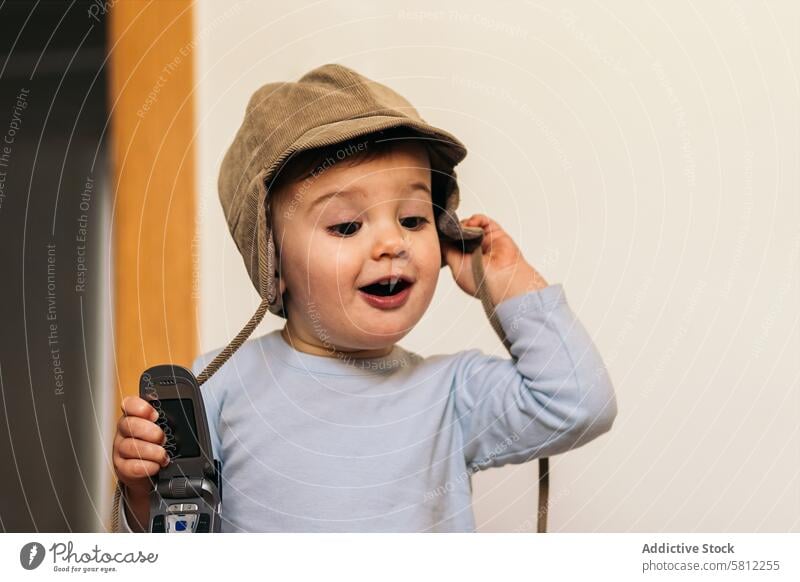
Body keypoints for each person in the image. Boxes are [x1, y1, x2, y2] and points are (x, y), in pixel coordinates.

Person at [111, 63, 617, 532]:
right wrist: (141, 489)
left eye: (414, 219)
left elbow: (578, 403)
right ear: (274, 263)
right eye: (348, 225)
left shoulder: (452, 394)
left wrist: (510, 283)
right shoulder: (221, 388)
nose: (392, 243)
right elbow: (177, 538)